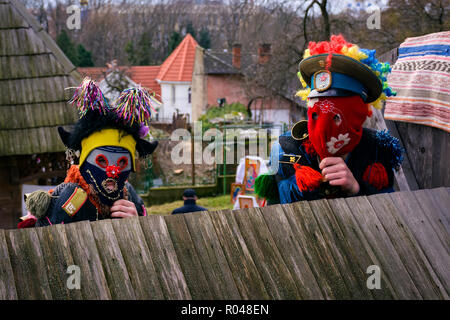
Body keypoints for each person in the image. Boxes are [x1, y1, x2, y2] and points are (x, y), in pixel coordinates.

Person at [255, 34, 404, 204]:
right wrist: (304, 186)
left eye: (336, 118)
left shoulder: (377, 149)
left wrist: (356, 190)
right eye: (315, 115)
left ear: (357, 117)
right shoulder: (286, 150)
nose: (322, 130)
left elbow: (390, 216)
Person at [18, 78, 160, 228]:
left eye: (122, 162)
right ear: (85, 161)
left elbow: (148, 235)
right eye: (102, 161)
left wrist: (137, 222)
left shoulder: (128, 192)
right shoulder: (73, 197)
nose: (112, 171)